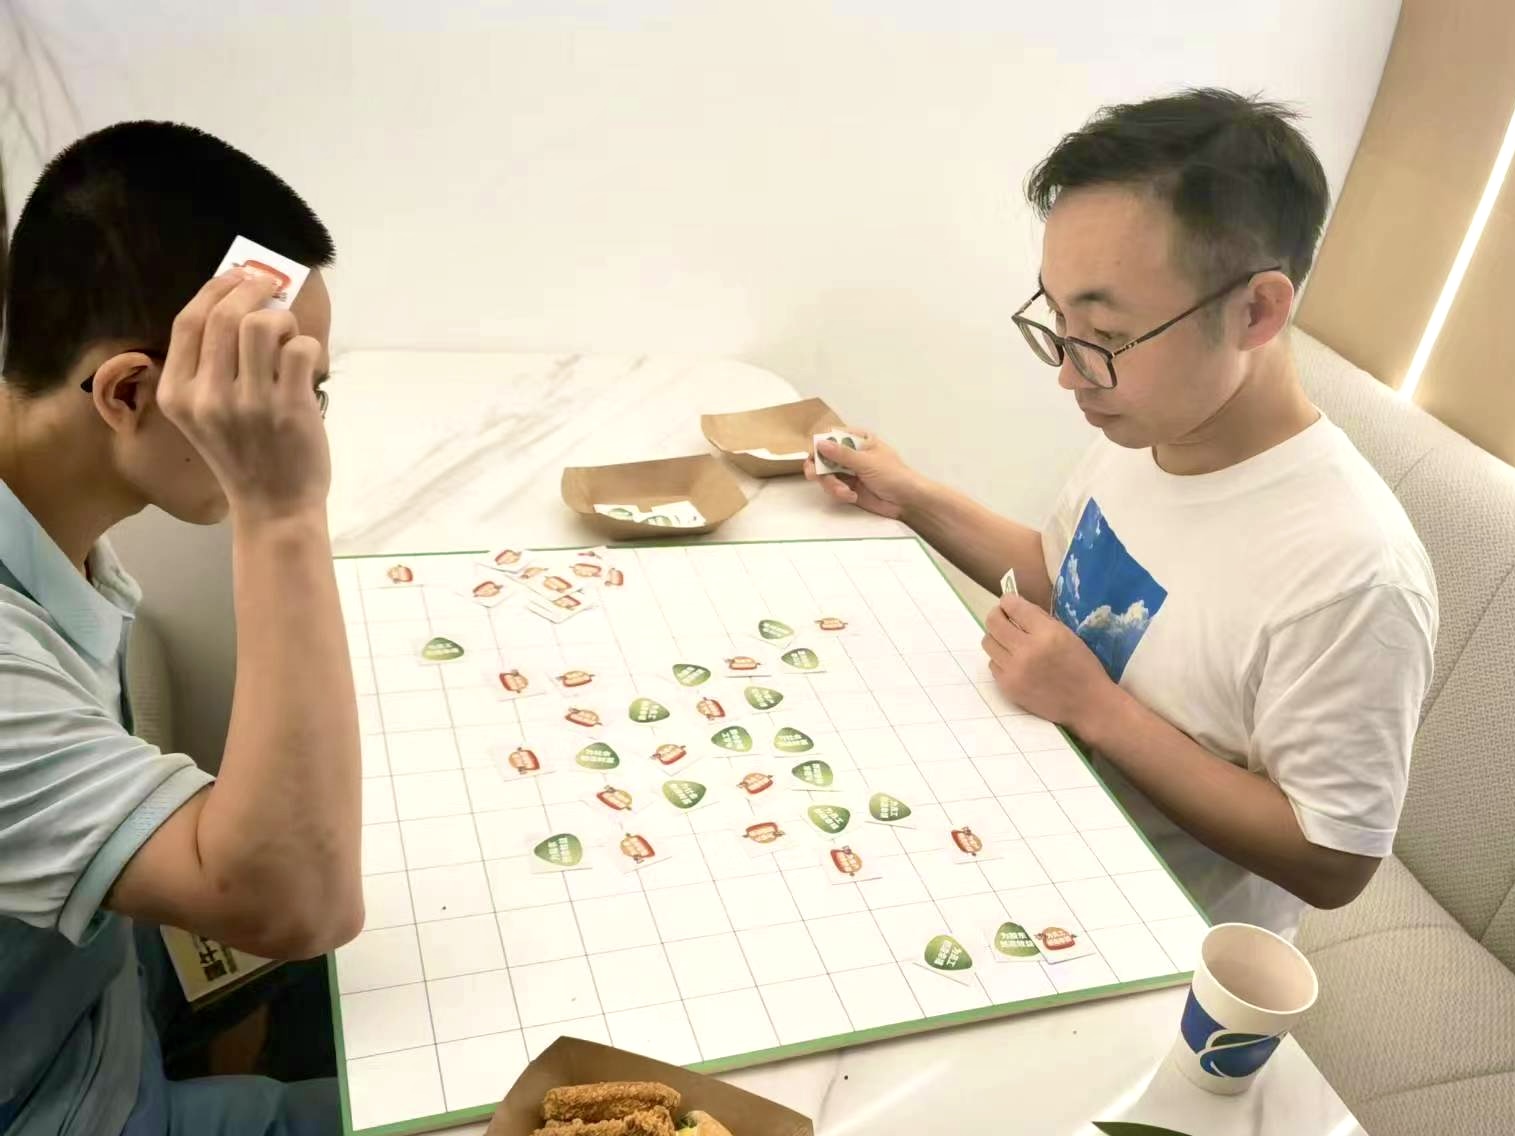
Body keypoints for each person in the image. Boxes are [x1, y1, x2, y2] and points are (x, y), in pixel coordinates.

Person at [807, 89, 1437, 940]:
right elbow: (1070, 586)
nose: (1068, 374)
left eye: (1103, 337)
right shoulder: (1151, 426)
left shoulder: (1351, 573)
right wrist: (914, 497)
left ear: (1255, 311)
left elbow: (1332, 862)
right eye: (1057, 321)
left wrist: (1094, 708)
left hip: (1153, 932)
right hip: (1028, 820)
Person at [0, 122, 360, 1134]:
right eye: (277, 389)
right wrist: (279, 509)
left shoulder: (42, 480)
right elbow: (298, 904)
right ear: (127, 391)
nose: (302, 425)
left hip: (111, 998)